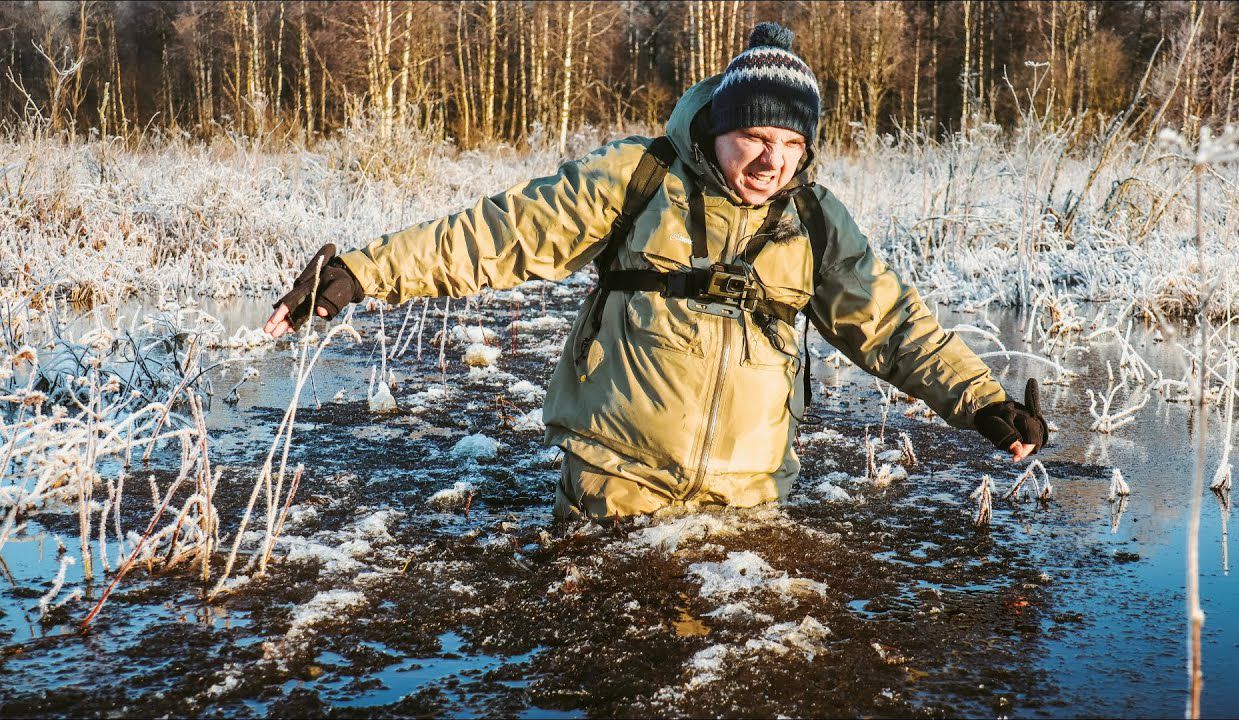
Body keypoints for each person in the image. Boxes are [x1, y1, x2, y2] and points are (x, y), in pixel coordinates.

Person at [263, 22, 1049, 520]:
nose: (771, 161)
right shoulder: (639, 179)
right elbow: (497, 234)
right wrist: (362, 274)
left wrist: (982, 403)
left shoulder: (814, 220)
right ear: (721, 124)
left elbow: (892, 326)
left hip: (749, 503)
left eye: (792, 146)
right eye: (755, 138)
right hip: (616, 486)